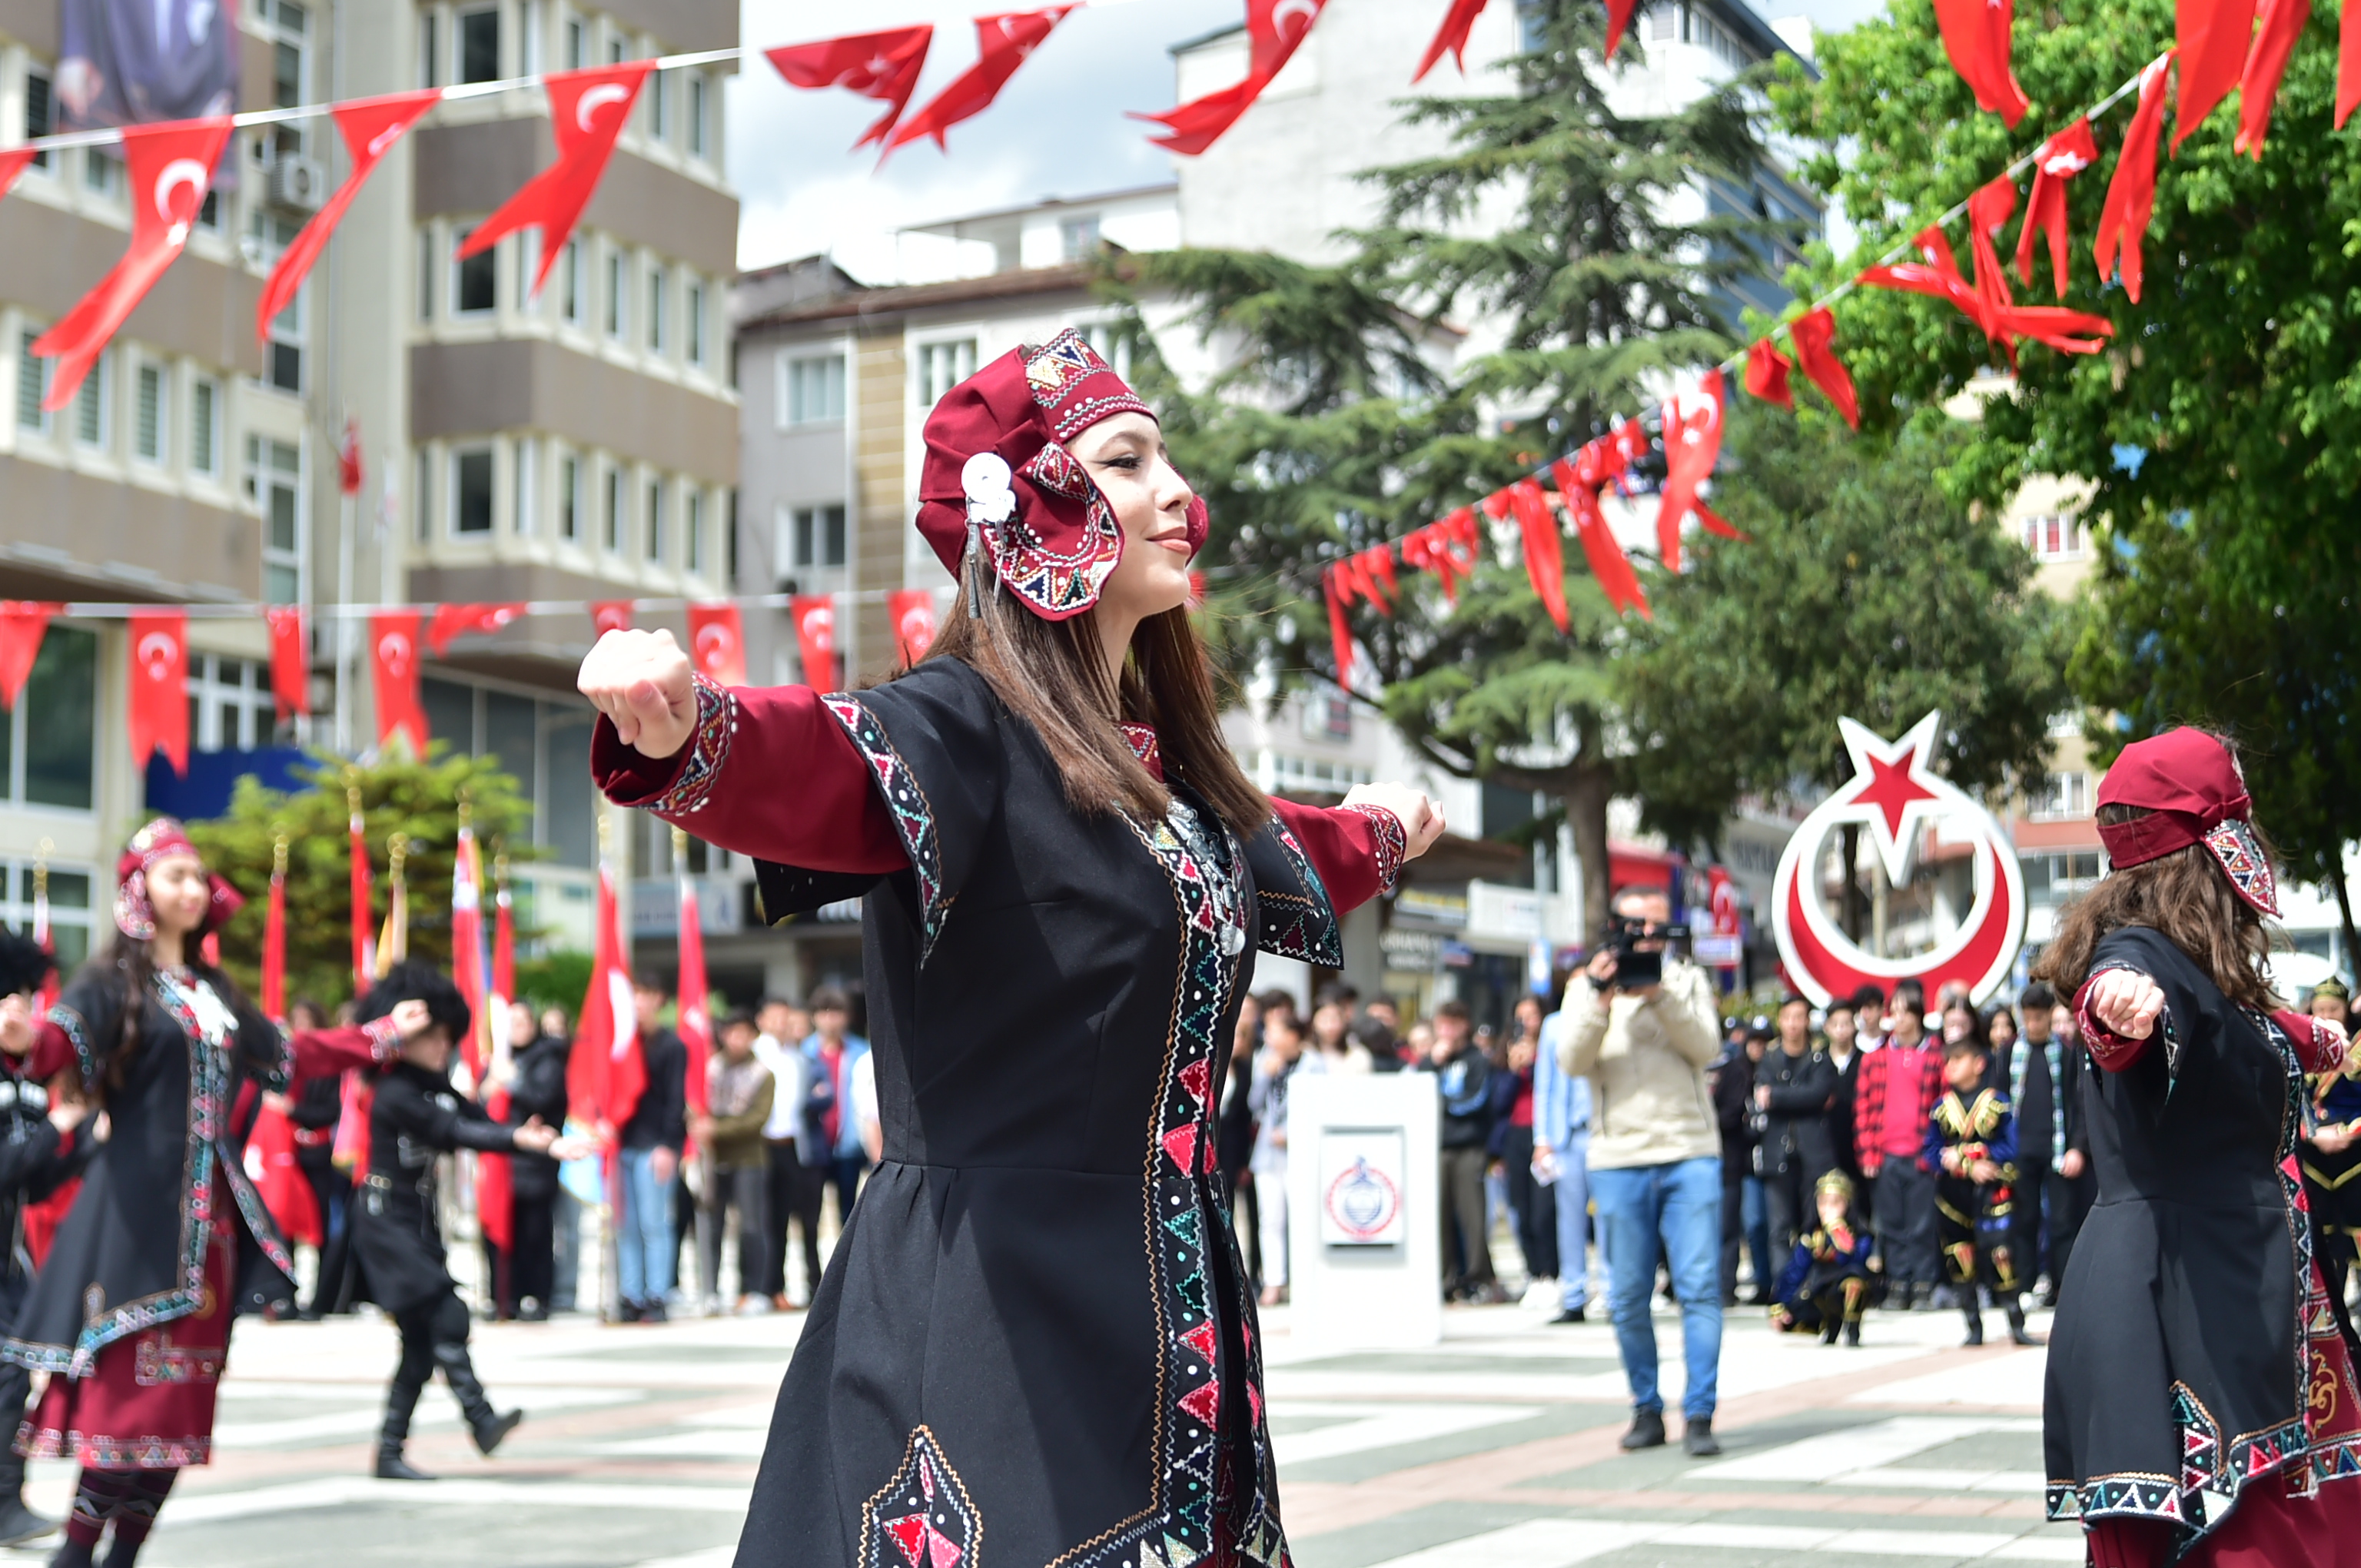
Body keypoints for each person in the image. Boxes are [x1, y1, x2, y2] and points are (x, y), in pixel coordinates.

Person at [577, 326, 1440, 1567]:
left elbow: (1279, 850)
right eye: (1129, 463)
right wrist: (683, 727)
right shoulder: (962, 726)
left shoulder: (1166, 780)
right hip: (989, 1325)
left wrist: (1385, 832)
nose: (1180, 495)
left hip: (1168, 1328)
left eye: (1166, 461)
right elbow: (821, 757)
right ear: (1036, 506)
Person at [0, 819, 399, 1568]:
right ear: (139, 889)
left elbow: (289, 1053)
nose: (191, 887)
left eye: (196, 875)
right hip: (134, 1225)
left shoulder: (217, 994)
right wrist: (24, 1040)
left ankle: (124, 1557)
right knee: (128, 1409)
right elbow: (61, 1041)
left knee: (181, 1414)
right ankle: (76, 1558)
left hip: (210, 1232)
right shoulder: (111, 985)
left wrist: (376, 1036)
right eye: (173, 874)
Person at [2034, 728, 2361, 1567]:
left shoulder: (2200, 975)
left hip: (2224, 1297)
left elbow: (2246, 1031)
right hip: (2180, 1305)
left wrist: (2325, 1039)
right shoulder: (2139, 957)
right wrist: (2114, 1007)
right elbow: (2119, 1007)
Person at [350, 965, 590, 1480]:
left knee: (420, 1347)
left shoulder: (431, 1085)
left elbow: (477, 1120)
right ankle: (480, 1418)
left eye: (447, 1037)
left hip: (414, 1216)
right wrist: (518, 1140)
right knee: (446, 1313)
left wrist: (537, 1139)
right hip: (385, 1218)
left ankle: (391, 1452)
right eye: (433, 1037)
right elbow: (453, 1131)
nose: (444, 1047)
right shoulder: (394, 1092)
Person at [1559, 885, 1726, 1457]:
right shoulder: (1586, 985)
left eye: (1657, 927)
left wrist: (1659, 995)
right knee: (1628, 1295)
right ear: (1616, 927)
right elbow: (1571, 1060)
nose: (1647, 938)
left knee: (1699, 1288)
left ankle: (1700, 1414)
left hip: (1689, 1152)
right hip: (1619, 1160)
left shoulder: (1686, 979)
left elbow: (1706, 1047)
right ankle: (1646, 1408)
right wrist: (1600, 997)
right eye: (1636, 927)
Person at [0, 931, 91, 1546]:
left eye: (24, 997)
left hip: (9, 1262)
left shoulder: (26, 1083)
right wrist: (55, 1129)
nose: (17, 1009)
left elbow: (31, 1183)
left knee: (13, 1374)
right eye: (5, 997)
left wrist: (84, 1140)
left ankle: (8, 1502)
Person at [1927, 1034, 2033, 1347]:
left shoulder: (1998, 1104)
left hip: (1992, 1195)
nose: (1951, 1066)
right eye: (1948, 1061)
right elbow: (1930, 1151)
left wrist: (1972, 1155)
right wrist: (1962, 1163)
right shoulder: (1941, 1107)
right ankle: (1973, 1328)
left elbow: (2012, 1146)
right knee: (1961, 1259)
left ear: (1978, 1064)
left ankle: (2017, 1325)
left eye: (1958, 1060)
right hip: (1953, 1197)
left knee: (2002, 1257)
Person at [1853, 978, 1943, 1311]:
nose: (1899, 1019)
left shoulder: (1935, 1055)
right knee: (1890, 1224)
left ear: (1919, 1015)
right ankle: (1897, 1284)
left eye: (1906, 1012)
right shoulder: (1875, 1058)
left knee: (1922, 1223)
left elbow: (1943, 1105)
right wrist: (1868, 1153)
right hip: (1886, 1153)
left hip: (1921, 1154)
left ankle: (1922, 1284)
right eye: (1896, 1012)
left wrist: (1937, 1151)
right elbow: (1863, 1108)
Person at [616, 978, 687, 1323]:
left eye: (644, 996)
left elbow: (676, 1100)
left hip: (655, 1147)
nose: (639, 1003)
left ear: (658, 1000)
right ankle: (631, 1294)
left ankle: (658, 1293)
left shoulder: (672, 1045)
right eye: (634, 996)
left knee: (654, 1223)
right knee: (626, 1225)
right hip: (622, 1144)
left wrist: (669, 1146)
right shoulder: (622, 1042)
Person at [696, 1011, 775, 1314]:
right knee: (712, 1225)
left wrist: (715, 1129)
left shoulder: (762, 1074)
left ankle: (752, 1289)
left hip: (749, 1159)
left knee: (751, 1226)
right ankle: (710, 1291)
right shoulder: (710, 1068)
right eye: (732, 1032)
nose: (737, 1039)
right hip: (713, 1158)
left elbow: (756, 1120)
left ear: (753, 1036)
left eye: (744, 1033)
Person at [1997, 984, 2068, 1306]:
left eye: (2039, 1018)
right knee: (2024, 1220)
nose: (2033, 1024)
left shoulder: (2064, 1052)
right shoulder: (2009, 1053)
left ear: (2050, 1015)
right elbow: (1999, 1100)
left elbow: (2075, 1103)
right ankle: (2023, 1285)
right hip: (2019, 1152)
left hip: (2057, 1150)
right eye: (2028, 1018)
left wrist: (2076, 1147)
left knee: (2061, 1222)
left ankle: (2061, 1287)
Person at [499, 1001, 570, 1321]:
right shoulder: (501, 1057)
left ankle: (538, 1296)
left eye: (522, 1022)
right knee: (508, 1233)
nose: (516, 1029)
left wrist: (512, 1081)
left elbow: (542, 1098)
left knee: (536, 1232)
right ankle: (509, 1296)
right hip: (505, 1159)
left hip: (537, 1160)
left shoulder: (547, 1057)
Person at [286, 998, 357, 1319]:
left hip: (321, 1154)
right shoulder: (286, 1063)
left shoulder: (328, 1067)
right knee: (285, 1226)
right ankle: (285, 1296)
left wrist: (294, 1111)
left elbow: (330, 1111)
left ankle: (323, 1299)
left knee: (323, 1227)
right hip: (287, 1155)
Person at [1430, 1002, 1504, 1303]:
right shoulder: (1435, 1060)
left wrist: (1444, 1103)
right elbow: (1415, 1089)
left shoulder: (1477, 1060)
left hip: (1469, 1146)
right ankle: (1446, 1278)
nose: (1446, 1031)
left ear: (1464, 1025)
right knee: (1440, 1215)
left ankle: (1479, 1276)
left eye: (1452, 1024)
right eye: (1441, 1025)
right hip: (1439, 1146)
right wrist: (1432, 1063)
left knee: (1473, 1216)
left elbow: (1476, 1100)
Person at [2300, 978, 2361, 1347]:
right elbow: (2292, 1101)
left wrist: (2349, 1132)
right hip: (2313, 1161)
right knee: (2321, 1246)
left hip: (2355, 1160)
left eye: (2334, 1010)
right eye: (2320, 1010)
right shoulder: (2299, 1046)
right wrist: (2314, 1134)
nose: (2327, 1016)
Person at [750, 998, 821, 1311]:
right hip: (760, 1144)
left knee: (784, 1217)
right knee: (760, 1218)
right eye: (775, 1017)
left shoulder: (798, 1059)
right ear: (762, 1020)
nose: (781, 1023)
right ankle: (758, 1287)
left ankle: (778, 1287)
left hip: (791, 1145)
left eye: (785, 1017)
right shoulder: (754, 1054)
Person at [1757, 995, 1838, 1262]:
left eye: (1798, 1018)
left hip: (1813, 1154)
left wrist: (1778, 1096)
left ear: (1807, 1021)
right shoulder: (1769, 1058)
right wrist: (1797, 1097)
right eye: (1787, 1018)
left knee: (1814, 1227)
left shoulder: (1820, 1057)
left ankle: (1813, 1281)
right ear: (1780, 1021)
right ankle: (1784, 1284)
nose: (1792, 1024)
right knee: (1779, 1229)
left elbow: (1818, 1094)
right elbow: (1763, 1096)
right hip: (1777, 1154)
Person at [1533, 986, 1593, 1324]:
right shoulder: (1554, 1025)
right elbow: (1544, 1085)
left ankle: (1614, 1293)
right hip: (1567, 1134)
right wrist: (1542, 1138)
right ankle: (1574, 1295)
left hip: (1602, 1131)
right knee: (1569, 1219)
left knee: (1611, 1216)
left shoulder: (1609, 1018)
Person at [1767, 1170, 1879, 1347]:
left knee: (1854, 1282)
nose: (1827, 1209)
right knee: (1789, 1321)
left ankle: (1852, 1327)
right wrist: (1778, 1303)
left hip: (1847, 1284)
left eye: (1835, 1203)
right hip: (1822, 1291)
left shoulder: (1860, 1234)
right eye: (1823, 1203)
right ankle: (1830, 1324)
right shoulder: (1813, 1235)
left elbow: (1854, 1259)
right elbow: (1795, 1270)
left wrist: (1837, 1231)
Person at [797, 988, 870, 1251]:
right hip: (813, 1145)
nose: (831, 1019)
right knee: (809, 1215)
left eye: (837, 1013)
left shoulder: (861, 1052)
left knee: (849, 1213)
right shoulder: (803, 1051)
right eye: (824, 1012)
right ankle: (814, 1272)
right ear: (815, 1017)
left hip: (848, 1144)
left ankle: (847, 1268)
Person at [1496, 1000, 1556, 1292]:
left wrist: (1533, 1064)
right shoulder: (1506, 1051)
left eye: (1532, 1016)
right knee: (1520, 1209)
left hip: (1544, 1134)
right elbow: (1499, 1102)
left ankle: (1551, 1271)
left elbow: (1550, 1088)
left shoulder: (1551, 1047)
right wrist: (1513, 1069)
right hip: (1516, 1135)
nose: (1527, 1023)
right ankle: (1533, 1272)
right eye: (1521, 1017)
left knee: (1543, 1211)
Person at [1250, 1010, 1306, 1305]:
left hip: (1300, 1153)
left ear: (1292, 1035)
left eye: (1275, 1031)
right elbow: (1254, 1104)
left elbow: (1318, 1104)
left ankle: (1304, 1278)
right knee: (1270, 1218)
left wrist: (1292, 1131)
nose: (1269, 1038)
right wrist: (1264, 1076)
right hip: (1268, 1154)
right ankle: (1274, 1280)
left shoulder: (1312, 1064)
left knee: (1302, 1216)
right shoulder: (1265, 1061)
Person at [1712, 1023, 1768, 1306]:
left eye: (1763, 1042)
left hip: (1765, 1160)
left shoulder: (1771, 1069)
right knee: (1729, 1226)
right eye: (1753, 1041)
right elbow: (1727, 1115)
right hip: (1736, 1162)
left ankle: (1764, 1282)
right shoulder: (1734, 1070)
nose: (1758, 1047)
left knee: (1758, 1225)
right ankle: (1725, 1286)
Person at [536, 1005, 584, 1315]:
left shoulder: (581, 1065)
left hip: (575, 1152)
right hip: (545, 1155)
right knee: (546, 1228)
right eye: (547, 1028)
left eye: (558, 1028)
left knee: (571, 1227)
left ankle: (567, 1289)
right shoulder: (539, 1064)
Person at [1824, 993, 1868, 1221]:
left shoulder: (1866, 1062)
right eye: (1835, 1024)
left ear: (1855, 1026)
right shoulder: (1818, 1062)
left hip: (1858, 1147)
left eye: (1846, 1024)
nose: (1841, 1030)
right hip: (1826, 1146)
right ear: (1826, 1028)